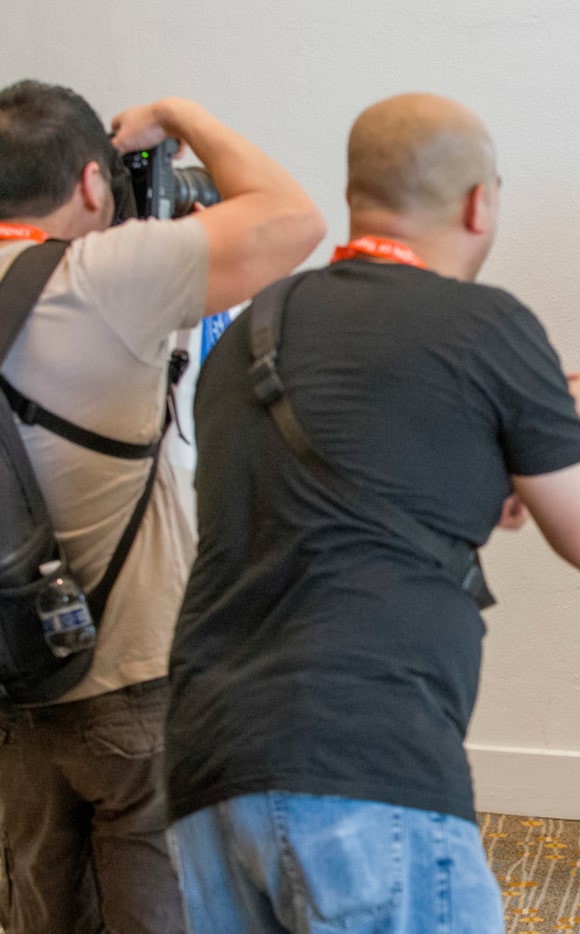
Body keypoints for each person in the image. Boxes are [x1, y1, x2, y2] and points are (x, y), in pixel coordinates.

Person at [163, 92, 580, 934]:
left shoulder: (252, 332)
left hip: (207, 760)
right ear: (477, 202)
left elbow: (344, 494)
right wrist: (574, 425)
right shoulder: (482, 326)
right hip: (367, 756)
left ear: (357, 194)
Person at [0, 80, 324, 932]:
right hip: (129, 677)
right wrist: (178, 115)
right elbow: (291, 217)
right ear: (94, 186)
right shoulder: (108, 278)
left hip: (9, 680)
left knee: (35, 909)